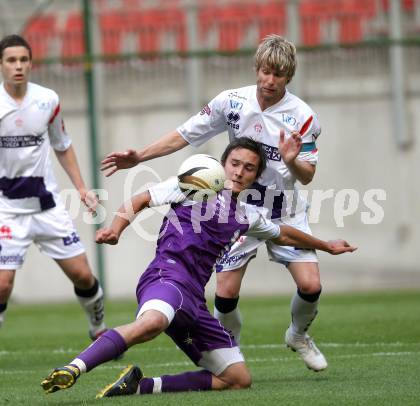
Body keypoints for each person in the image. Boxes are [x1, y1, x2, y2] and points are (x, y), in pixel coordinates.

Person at [41, 138, 355, 398]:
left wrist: (326, 245)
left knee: (237, 378)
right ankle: (73, 369)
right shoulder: (194, 183)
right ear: (223, 163)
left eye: (249, 168)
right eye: (235, 163)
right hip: (167, 275)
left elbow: (283, 232)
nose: (239, 171)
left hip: (193, 299)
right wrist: (116, 229)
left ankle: (141, 386)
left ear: (256, 177)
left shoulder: (247, 215)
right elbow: (139, 199)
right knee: (151, 323)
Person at [100, 34, 329, 371]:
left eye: (278, 75)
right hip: (236, 207)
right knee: (225, 291)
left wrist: (291, 159)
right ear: (257, 68)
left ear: (289, 76)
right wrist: (140, 156)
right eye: (265, 71)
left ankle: (297, 335)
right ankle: (228, 349)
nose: (270, 80)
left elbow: (307, 175)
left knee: (311, 285)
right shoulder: (231, 101)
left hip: (284, 208)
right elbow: (185, 133)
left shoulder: (304, 117)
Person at [0, 34, 106, 339]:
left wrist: (82, 188)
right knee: (3, 285)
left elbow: (63, 145)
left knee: (83, 275)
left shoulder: (47, 100)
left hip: (47, 207)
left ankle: (98, 328)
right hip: (7, 209)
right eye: (11, 60)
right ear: (2, 65)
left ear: (31, 63)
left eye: (23, 60)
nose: (18, 66)